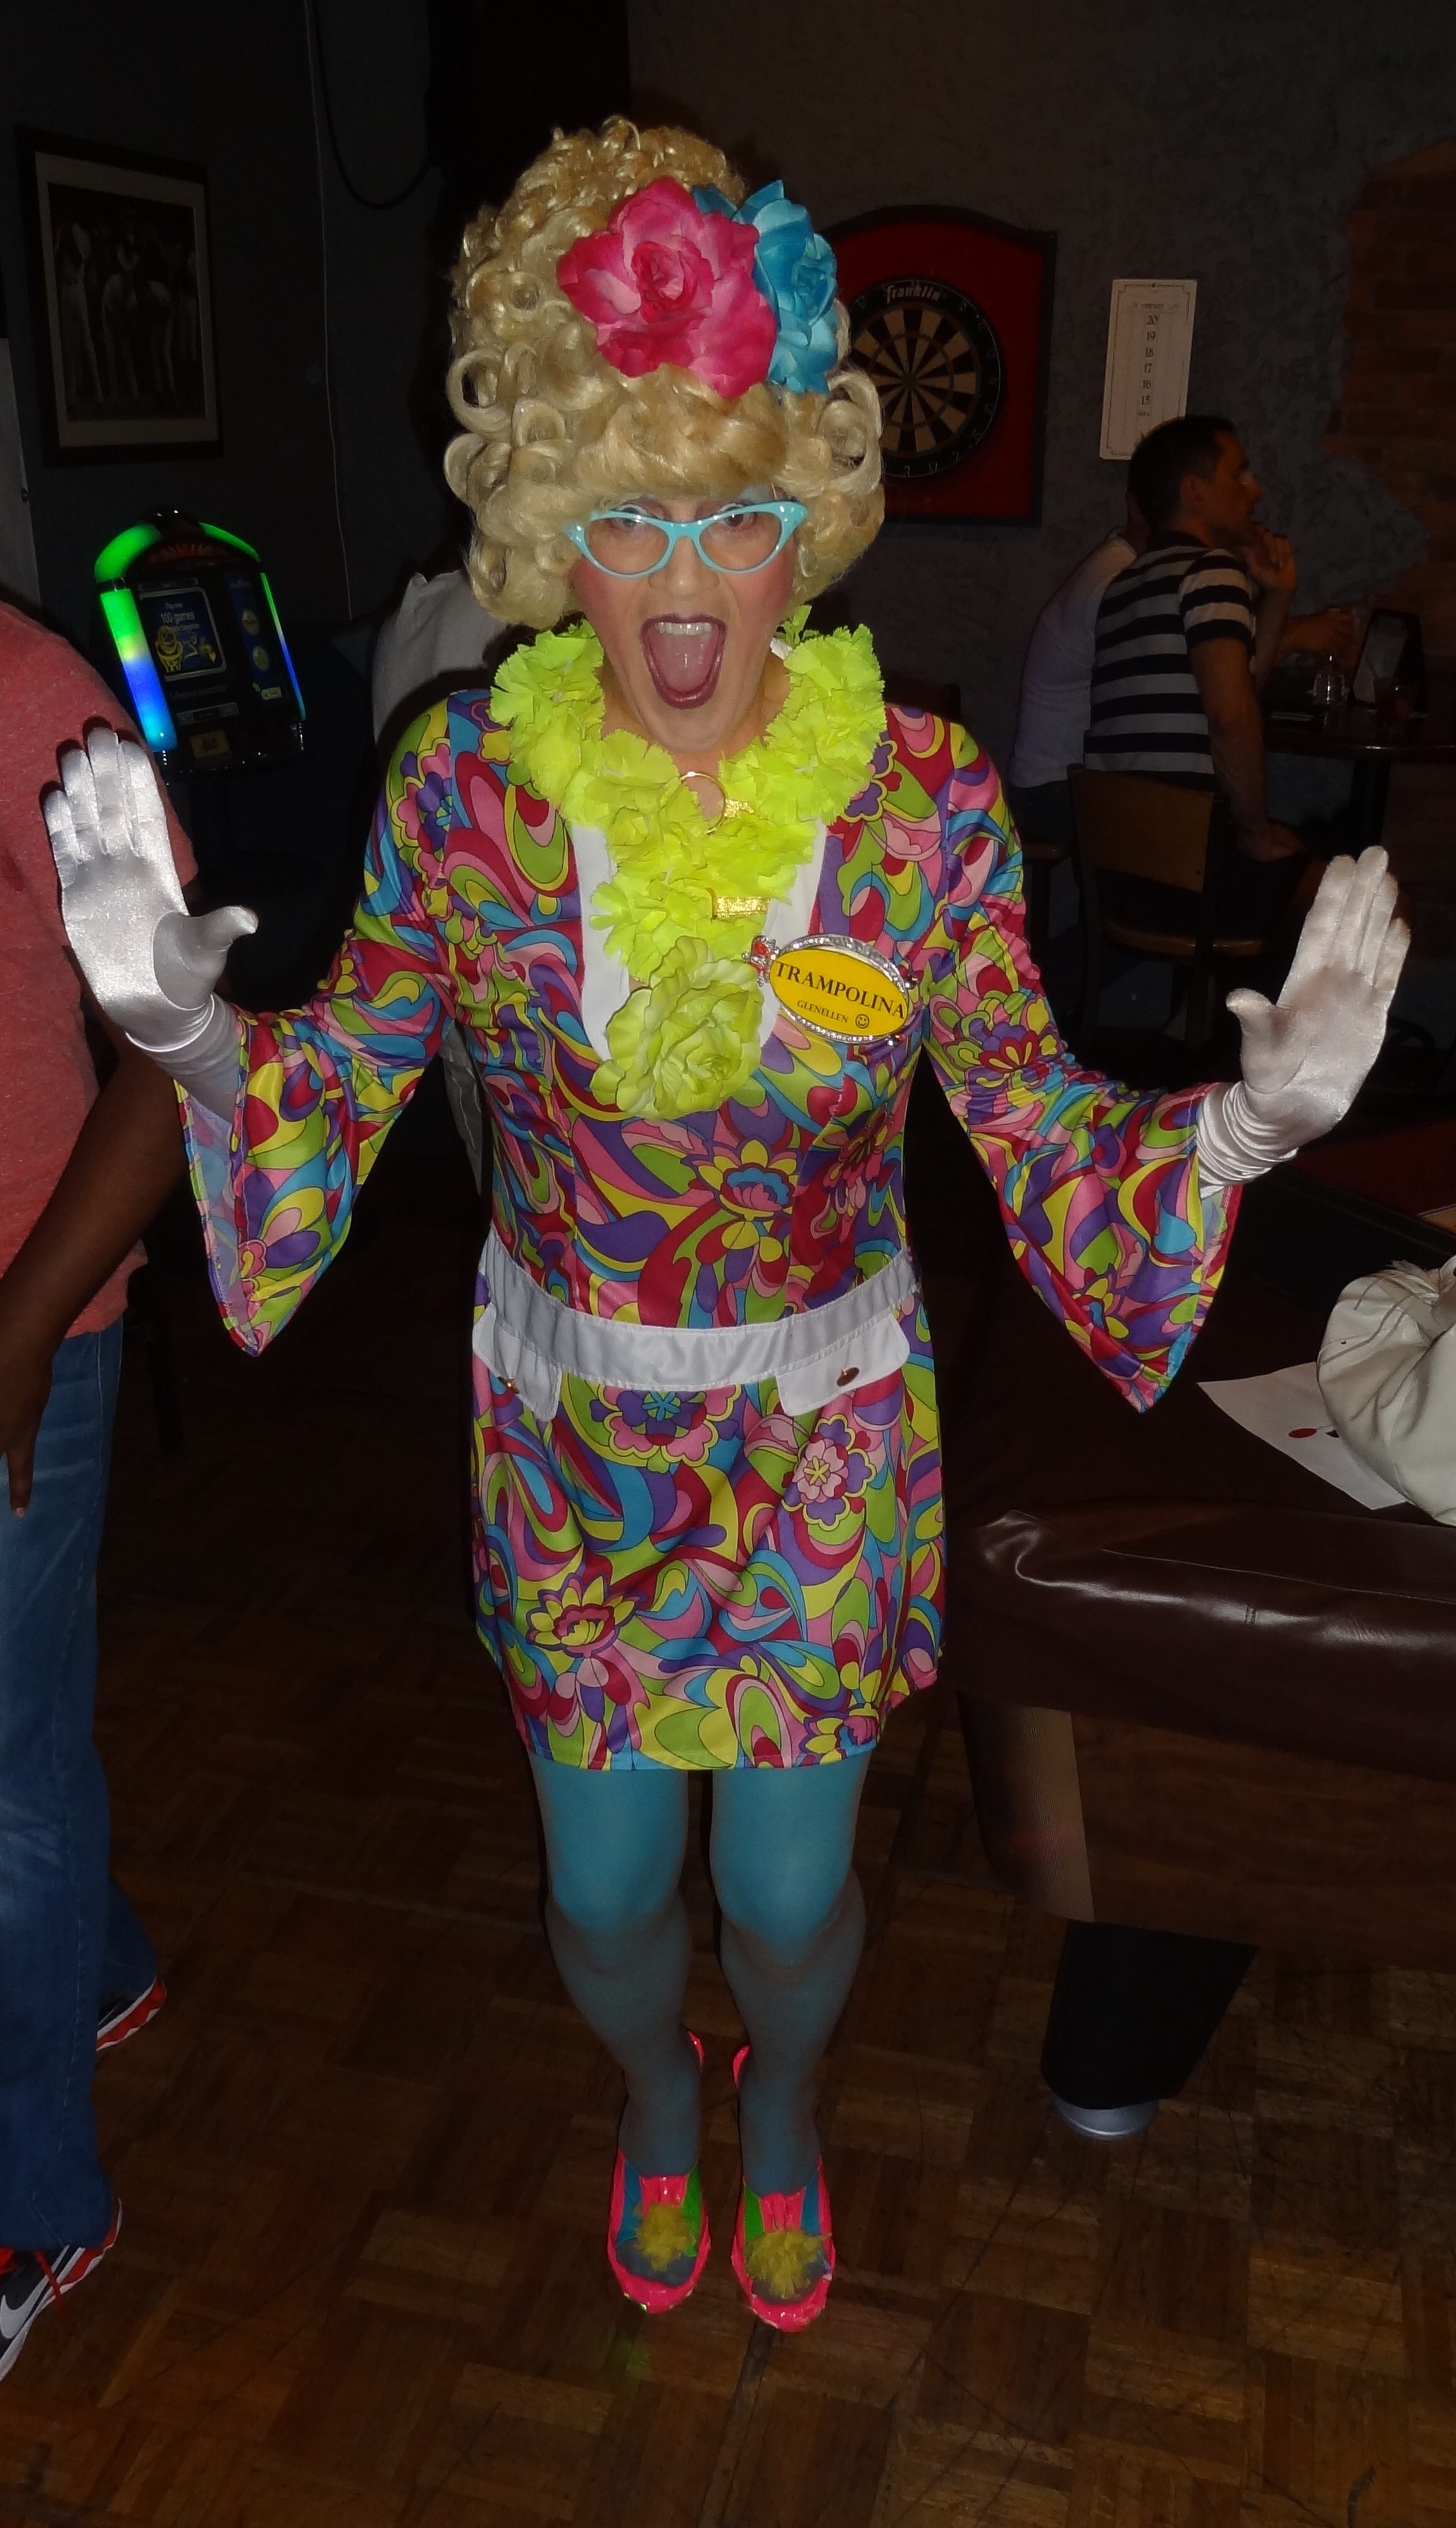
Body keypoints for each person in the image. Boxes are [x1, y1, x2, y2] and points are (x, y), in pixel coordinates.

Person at [43, 122, 1407, 2332]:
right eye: (629, 519)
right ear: (548, 529)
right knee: (602, 1900)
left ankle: (782, 2107)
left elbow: (1037, 1122)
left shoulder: (917, 809)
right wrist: (191, 1037)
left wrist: (1248, 1123)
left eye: (738, 521)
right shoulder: (467, 793)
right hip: (570, 1438)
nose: (685, 588)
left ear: (811, 527)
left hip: (820, 1443)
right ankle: (656, 2097)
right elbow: (343, 1084)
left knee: (782, 1898)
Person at [0, 602, 195, 2379]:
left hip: (26, 1328)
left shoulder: (39, 706)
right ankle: (105, 1963)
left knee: (5, 1781)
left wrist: (22, 1327)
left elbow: (174, 1065)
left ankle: (34, 2200)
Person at [1085, 413, 1335, 936]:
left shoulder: (1125, 587)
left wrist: (1278, 596)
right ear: (1195, 492)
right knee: (1379, 909)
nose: (1255, 489)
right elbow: (1230, 715)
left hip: (1122, 866)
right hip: (1191, 869)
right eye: (1240, 474)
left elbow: (1239, 689)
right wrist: (1256, 834)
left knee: (1311, 861)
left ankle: (1219, 996)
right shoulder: (1211, 571)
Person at [1006, 493, 1148, 852]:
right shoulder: (1116, 582)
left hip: (1057, 784)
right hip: (1052, 790)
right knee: (1192, 831)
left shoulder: (1127, 569)